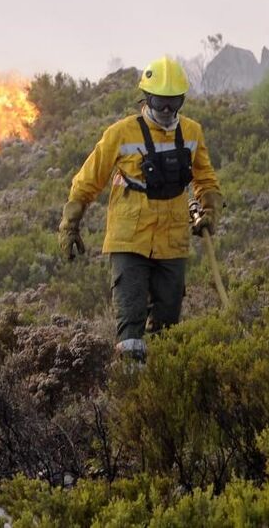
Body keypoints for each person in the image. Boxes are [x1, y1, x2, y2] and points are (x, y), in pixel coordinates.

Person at [58, 57, 222, 361]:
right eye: (161, 102)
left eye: (174, 102)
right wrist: (70, 223)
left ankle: (161, 395)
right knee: (131, 328)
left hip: (172, 242)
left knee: (168, 328)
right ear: (147, 98)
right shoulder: (121, 134)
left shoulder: (192, 132)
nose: (167, 111)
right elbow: (88, 180)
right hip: (129, 240)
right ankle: (130, 391)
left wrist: (210, 210)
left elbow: (206, 179)